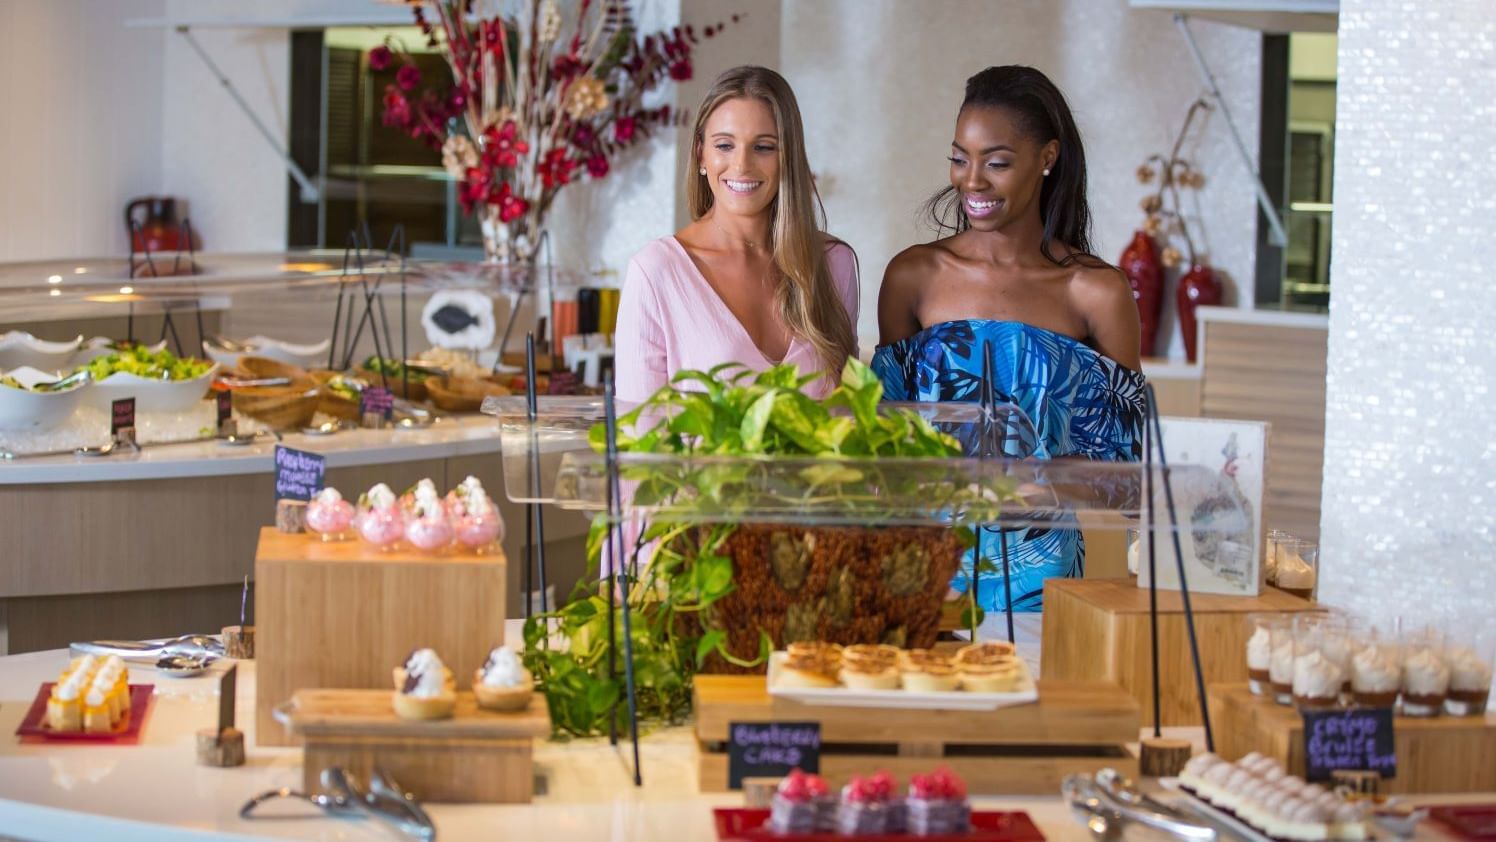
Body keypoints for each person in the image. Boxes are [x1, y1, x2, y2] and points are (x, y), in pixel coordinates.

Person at [872, 65, 1147, 612]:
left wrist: (1043, 484)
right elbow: (883, 448)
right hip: (920, 573)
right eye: (959, 158)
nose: (971, 180)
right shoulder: (912, 277)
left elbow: (1130, 479)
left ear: (1047, 158)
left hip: (1042, 587)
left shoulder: (1095, 292)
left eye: (996, 162)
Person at [614, 65, 859, 404]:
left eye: (764, 147)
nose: (742, 165)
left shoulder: (835, 264)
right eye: (725, 145)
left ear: (788, 157)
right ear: (701, 153)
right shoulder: (656, 272)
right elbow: (638, 437)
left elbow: (848, 418)